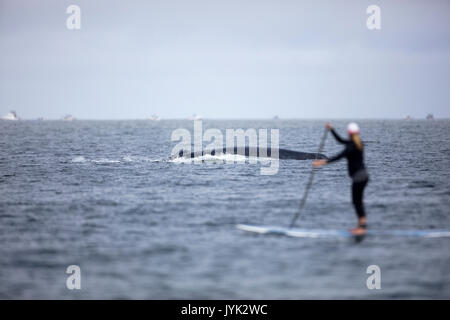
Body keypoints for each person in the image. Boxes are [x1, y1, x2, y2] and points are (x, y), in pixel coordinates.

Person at [313, 122, 369, 235]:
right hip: (364, 176)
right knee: (358, 201)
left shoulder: (351, 146)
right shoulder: (358, 143)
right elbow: (340, 141)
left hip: (358, 177)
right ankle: (361, 226)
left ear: (349, 133)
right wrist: (331, 129)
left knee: (356, 202)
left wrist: (322, 162)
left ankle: (361, 228)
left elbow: (339, 157)